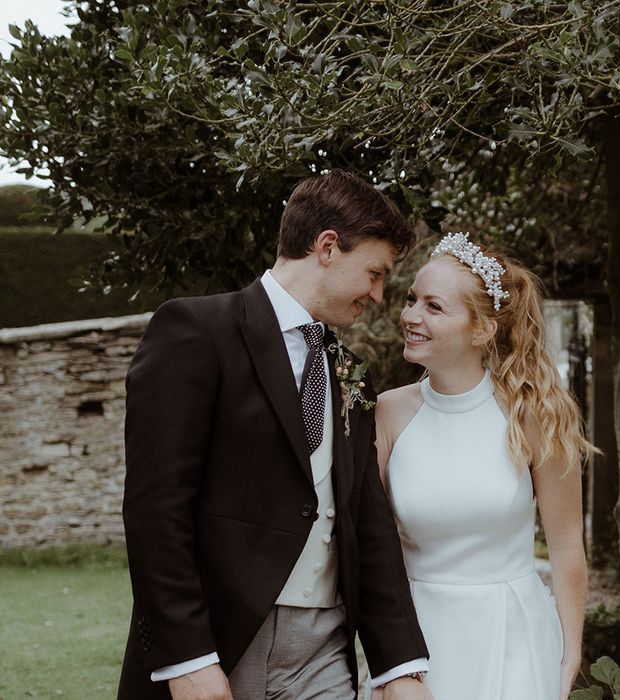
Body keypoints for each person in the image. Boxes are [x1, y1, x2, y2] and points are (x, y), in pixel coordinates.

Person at [118, 170, 431, 700]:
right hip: (224, 641)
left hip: (324, 647)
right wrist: (187, 658)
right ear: (327, 247)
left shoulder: (349, 370)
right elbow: (156, 507)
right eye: (374, 273)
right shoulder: (196, 332)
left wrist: (398, 666)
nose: (378, 295)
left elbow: (366, 521)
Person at [374, 233, 592, 700]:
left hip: (516, 633)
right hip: (419, 643)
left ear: (481, 329)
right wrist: (391, 667)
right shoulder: (388, 413)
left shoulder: (532, 414)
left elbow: (567, 544)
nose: (410, 316)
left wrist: (570, 647)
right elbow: (370, 545)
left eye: (434, 307)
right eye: (412, 300)